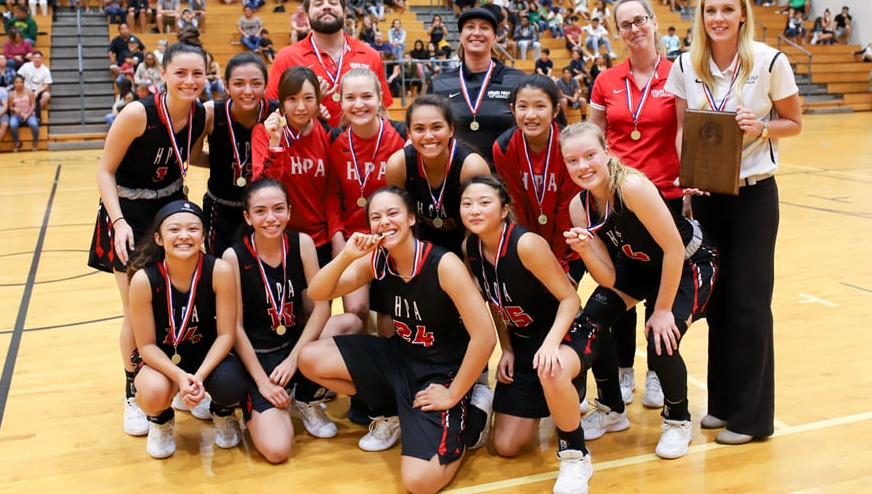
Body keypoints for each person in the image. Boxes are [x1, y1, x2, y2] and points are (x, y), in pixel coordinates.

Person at [665, 0, 802, 446]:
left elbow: (794, 123)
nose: (718, 18)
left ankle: (753, 417)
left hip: (754, 198)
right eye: (710, 10)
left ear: (742, 14)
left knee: (749, 304)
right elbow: (683, 131)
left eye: (727, 9)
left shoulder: (769, 61)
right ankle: (721, 404)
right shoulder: (686, 64)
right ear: (700, 16)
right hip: (705, 196)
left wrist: (761, 127)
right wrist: (687, 184)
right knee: (716, 302)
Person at [297, 187, 496, 494]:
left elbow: (485, 338)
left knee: (420, 483)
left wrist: (453, 394)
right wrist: (348, 255)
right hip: (398, 357)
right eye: (376, 217)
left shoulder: (443, 265)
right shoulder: (377, 260)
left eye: (392, 214)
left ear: (411, 218)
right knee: (309, 358)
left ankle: (473, 417)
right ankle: (393, 411)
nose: (384, 222)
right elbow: (319, 292)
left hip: (439, 372)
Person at [561, 121, 718, 459]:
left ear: (606, 153)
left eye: (590, 155)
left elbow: (674, 249)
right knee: (591, 322)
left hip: (689, 261)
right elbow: (607, 279)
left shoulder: (631, 186)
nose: (583, 166)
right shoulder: (579, 207)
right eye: (572, 160)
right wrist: (586, 250)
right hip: (640, 265)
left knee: (660, 337)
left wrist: (661, 311)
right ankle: (611, 409)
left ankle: (678, 421)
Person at [88, 28, 209, 439]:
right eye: (181, 73)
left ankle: (175, 378)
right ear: (164, 74)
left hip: (171, 210)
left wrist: (240, 161)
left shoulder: (201, 115)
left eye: (198, 73)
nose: (189, 80)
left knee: (176, 302)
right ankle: (132, 390)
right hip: (128, 214)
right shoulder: (138, 113)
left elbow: (192, 156)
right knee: (134, 309)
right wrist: (118, 221)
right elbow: (104, 170)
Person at [461, 175, 595, 493]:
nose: (474, 210)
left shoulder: (526, 244)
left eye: (484, 203)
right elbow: (494, 303)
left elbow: (570, 298)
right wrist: (506, 349)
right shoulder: (471, 247)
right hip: (523, 344)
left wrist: (550, 345)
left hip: (565, 333)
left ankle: (576, 453)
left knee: (553, 369)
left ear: (504, 209)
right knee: (506, 446)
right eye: (467, 204)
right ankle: (557, 399)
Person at [586, 0, 682, 410]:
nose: (634, 29)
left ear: (654, 22)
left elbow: (685, 131)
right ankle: (624, 370)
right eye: (625, 24)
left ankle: (657, 373)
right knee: (620, 282)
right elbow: (594, 140)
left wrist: (691, 183)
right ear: (617, 32)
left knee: (661, 285)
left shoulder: (678, 74)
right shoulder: (606, 80)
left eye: (640, 20)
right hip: (618, 200)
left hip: (666, 195)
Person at [223, 179, 360, 462]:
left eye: (278, 209)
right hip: (258, 358)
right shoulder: (233, 257)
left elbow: (323, 307)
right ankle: (256, 400)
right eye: (260, 211)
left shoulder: (302, 243)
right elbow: (233, 328)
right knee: (277, 450)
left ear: (289, 211)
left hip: (294, 347)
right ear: (247, 217)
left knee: (350, 324)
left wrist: (294, 359)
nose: (271, 218)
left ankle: (305, 397)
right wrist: (263, 383)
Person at [127, 200, 245, 459]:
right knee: (152, 393)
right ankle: (161, 420)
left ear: (203, 235)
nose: (184, 236)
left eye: (192, 229)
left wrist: (198, 377)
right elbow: (145, 345)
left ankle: (222, 412)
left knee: (232, 384)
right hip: (163, 358)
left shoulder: (219, 271)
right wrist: (181, 378)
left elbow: (226, 334)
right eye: (174, 230)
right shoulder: (143, 280)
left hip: (206, 354)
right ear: (158, 238)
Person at [325, 68, 407, 330]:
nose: (358, 105)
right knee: (355, 309)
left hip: (392, 238)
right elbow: (331, 194)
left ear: (380, 98)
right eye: (350, 98)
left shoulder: (401, 135)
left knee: (390, 316)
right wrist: (337, 235)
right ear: (340, 101)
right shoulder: (335, 139)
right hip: (354, 239)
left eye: (366, 96)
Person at [266, 0, 393, 128]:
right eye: (318, 3)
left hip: (358, 149)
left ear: (344, 14)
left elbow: (382, 112)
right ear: (306, 17)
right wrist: (309, 104)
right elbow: (274, 117)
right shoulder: (286, 57)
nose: (326, 6)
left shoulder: (370, 55)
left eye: (333, 2)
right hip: (307, 149)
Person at [493, 74, 579, 274]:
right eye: (523, 107)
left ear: (556, 110)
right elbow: (516, 204)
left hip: (569, 246)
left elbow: (568, 207)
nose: (530, 115)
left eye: (540, 106)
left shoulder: (570, 145)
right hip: (528, 246)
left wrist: (557, 260)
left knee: (564, 301)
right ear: (513, 110)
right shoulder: (503, 147)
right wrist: (530, 250)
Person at [252, 66, 338, 267]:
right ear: (281, 102)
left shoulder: (327, 133)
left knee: (318, 299)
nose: (301, 107)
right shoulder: (263, 132)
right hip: (279, 237)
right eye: (292, 99)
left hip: (320, 240)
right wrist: (275, 144)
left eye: (308, 98)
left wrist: (335, 235)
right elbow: (262, 187)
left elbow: (333, 192)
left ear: (318, 100)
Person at [386, 93, 490, 256]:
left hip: (469, 245)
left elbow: (482, 227)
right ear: (409, 133)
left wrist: (470, 271)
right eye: (419, 129)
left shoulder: (471, 166)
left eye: (436, 127)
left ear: (451, 129)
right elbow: (398, 221)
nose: (428, 136)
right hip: (420, 248)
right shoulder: (398, 165)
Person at [427, 7, 524, 168]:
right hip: (455, 183)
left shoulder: (517, 80)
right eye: (470, 27)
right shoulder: (439, 84)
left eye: (485, 28)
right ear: (460, 36)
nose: (477, 33)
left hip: (505, 183)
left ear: (494, 37)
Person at [198, 52, 272, 257]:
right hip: (222, 208)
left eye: (256, 83)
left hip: (265, 210)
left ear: (266, 85)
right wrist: (220, 163)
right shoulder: (211, 113)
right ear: (226, 85)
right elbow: (194, 156)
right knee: (221, 271)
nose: (248, 91)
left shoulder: (277, 113)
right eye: (239, 83)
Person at [7, 74, 39, 152]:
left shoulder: (29, 92)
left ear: (23, 83)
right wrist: (14, 109)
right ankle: (17, 143)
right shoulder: (11, 94)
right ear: (14, 83)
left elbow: (33, 104)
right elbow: (10, 107)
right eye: (17, 82)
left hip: (29, 113)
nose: (18, 84)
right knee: (12, 125)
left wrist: (27, 115)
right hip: (17, 115)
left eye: (20, 82)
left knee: (34, 125)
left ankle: (35, 142)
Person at [17, 50, 52, 115]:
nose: (37, 60)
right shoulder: (26, 65)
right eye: (35, 58)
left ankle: (34, 110)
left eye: (39, 58)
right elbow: (18, 76)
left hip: (38, 90)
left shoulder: (45, 70)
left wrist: (38, 91)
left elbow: (47, 84)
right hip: (26, 89)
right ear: (32, 59)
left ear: (42, 59)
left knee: (47, 95)